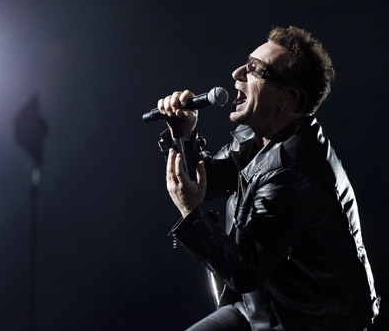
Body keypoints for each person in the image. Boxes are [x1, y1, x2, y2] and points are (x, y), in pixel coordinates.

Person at [156, 26, 379, 330]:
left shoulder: (294, 174)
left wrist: (190, 213)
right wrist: (185, 135)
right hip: (261, 308)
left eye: (254, 70)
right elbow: (208, 180)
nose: (237, 74)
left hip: (311, 322)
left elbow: (244, 272)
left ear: (287, 99)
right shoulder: (259, 134)